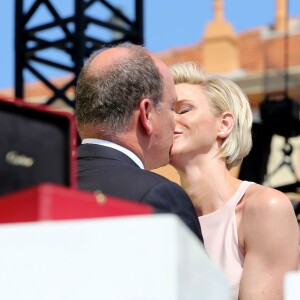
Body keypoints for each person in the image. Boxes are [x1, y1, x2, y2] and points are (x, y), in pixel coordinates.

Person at [169, 61, 300, 300]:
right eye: (165, 112)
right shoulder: (162, 217)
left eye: (183, 110)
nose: (169, 120)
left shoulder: (263, 208)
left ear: (224, 124)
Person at [74, 43, 202, 241]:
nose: (175, 121)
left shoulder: (36, 186)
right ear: (147, 114)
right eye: (171, 108)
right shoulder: (158, 195)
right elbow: (190, 273)